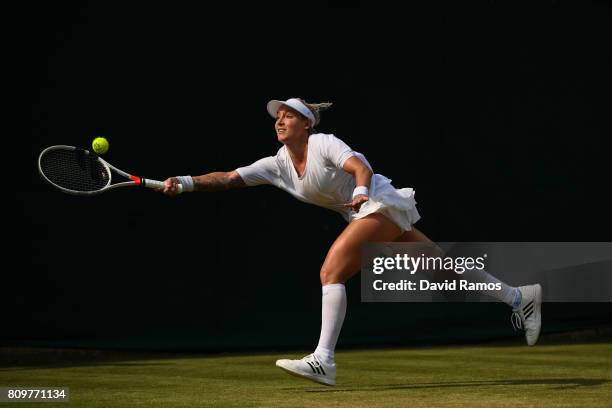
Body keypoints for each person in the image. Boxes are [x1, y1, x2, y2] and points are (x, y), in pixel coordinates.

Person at [161, 97, 542, 386]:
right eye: (278, 116)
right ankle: (518, 297)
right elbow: (229, 178)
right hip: (368, 212)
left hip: (377, 202)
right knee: (442, 269)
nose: (280, 120)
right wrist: (187, 182)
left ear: (307, 123)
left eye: (288, 115)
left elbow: (362, 167)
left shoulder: (324, 142)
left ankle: (324, 359)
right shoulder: (277, 164)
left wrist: (360, 191)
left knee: (332, 270)